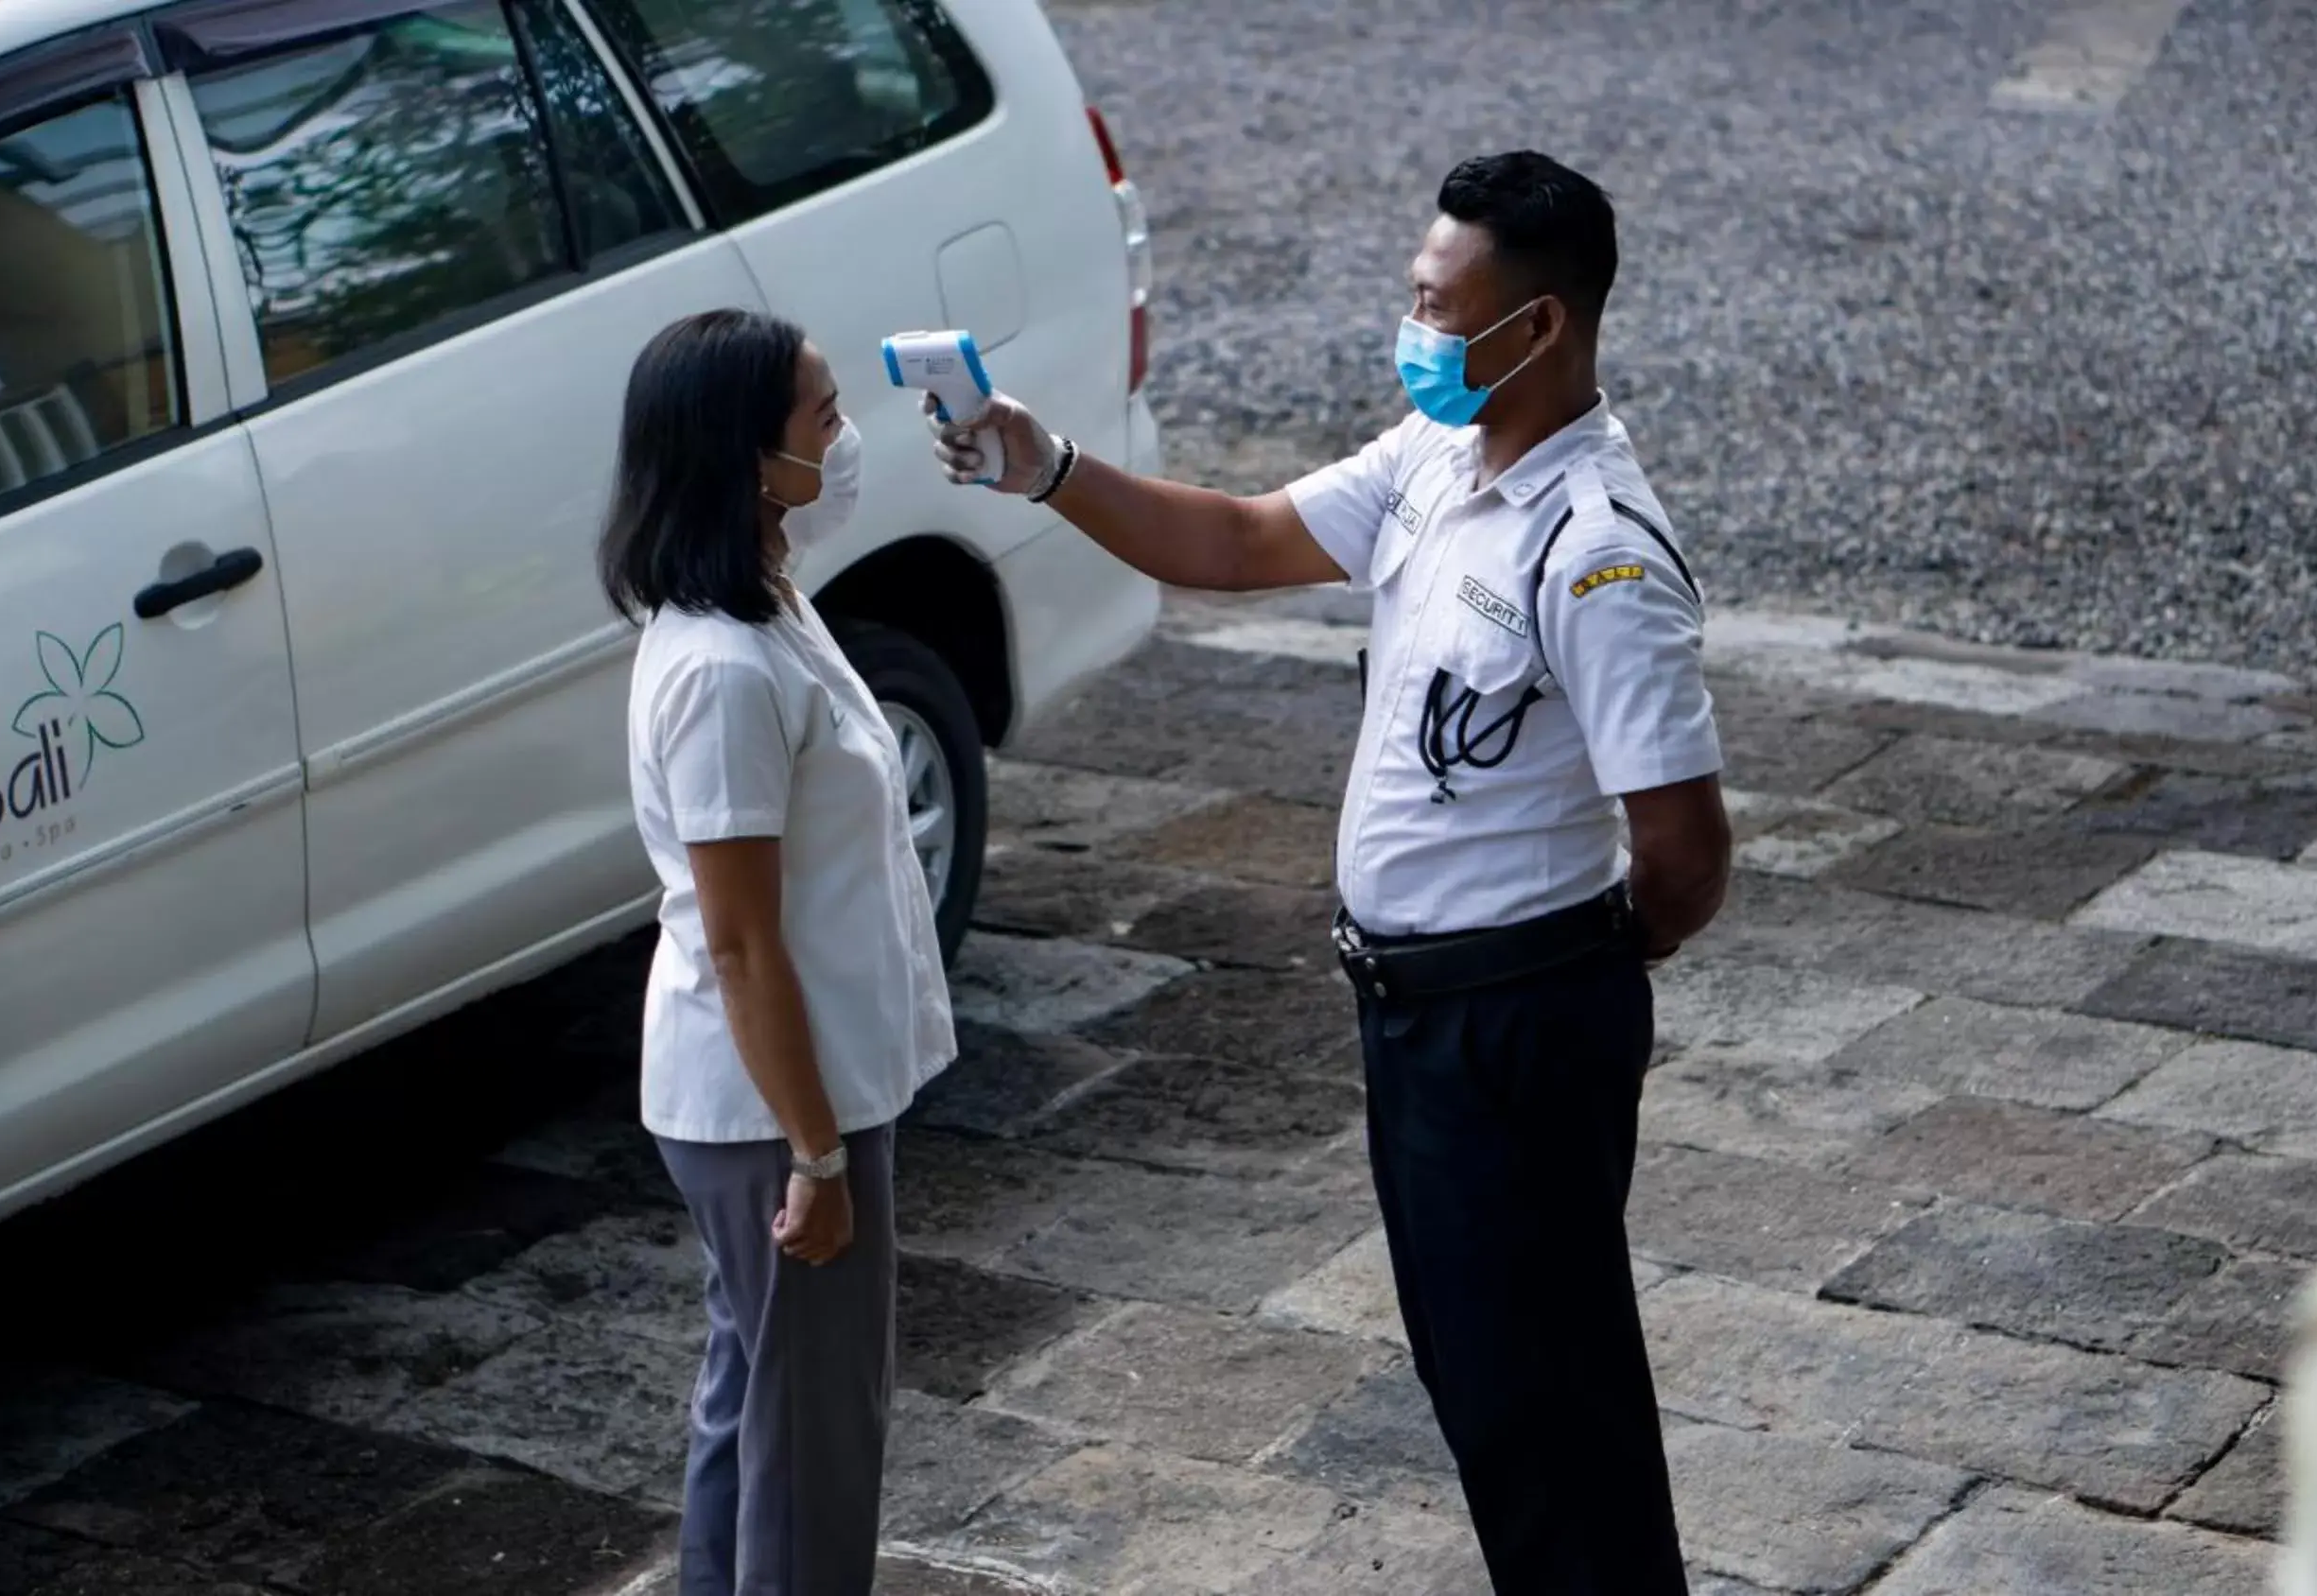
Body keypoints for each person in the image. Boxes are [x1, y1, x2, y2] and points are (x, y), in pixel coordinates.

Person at [926, 150, 1729, 1594]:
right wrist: (1040, 465)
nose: (1412, 324)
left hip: (1516, 1016)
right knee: (1484, 1380)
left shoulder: (1597, 551)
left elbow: (1681, 851)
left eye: (1435, 301)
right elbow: (1237, 539)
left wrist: (1561, 969)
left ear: (1535, 325)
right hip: (1417, 1013)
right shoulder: (1436, 457)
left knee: (1550, 1397)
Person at [601, 307, 954, 1596]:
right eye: (822, 416)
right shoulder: (725, 671)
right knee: (814, 1446)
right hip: (777, 1109)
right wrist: (815, 1152)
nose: (844, 437)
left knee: (758, 1404)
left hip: (788, 1094)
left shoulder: (769, 599)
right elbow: (743, 942)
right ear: (753, 460)